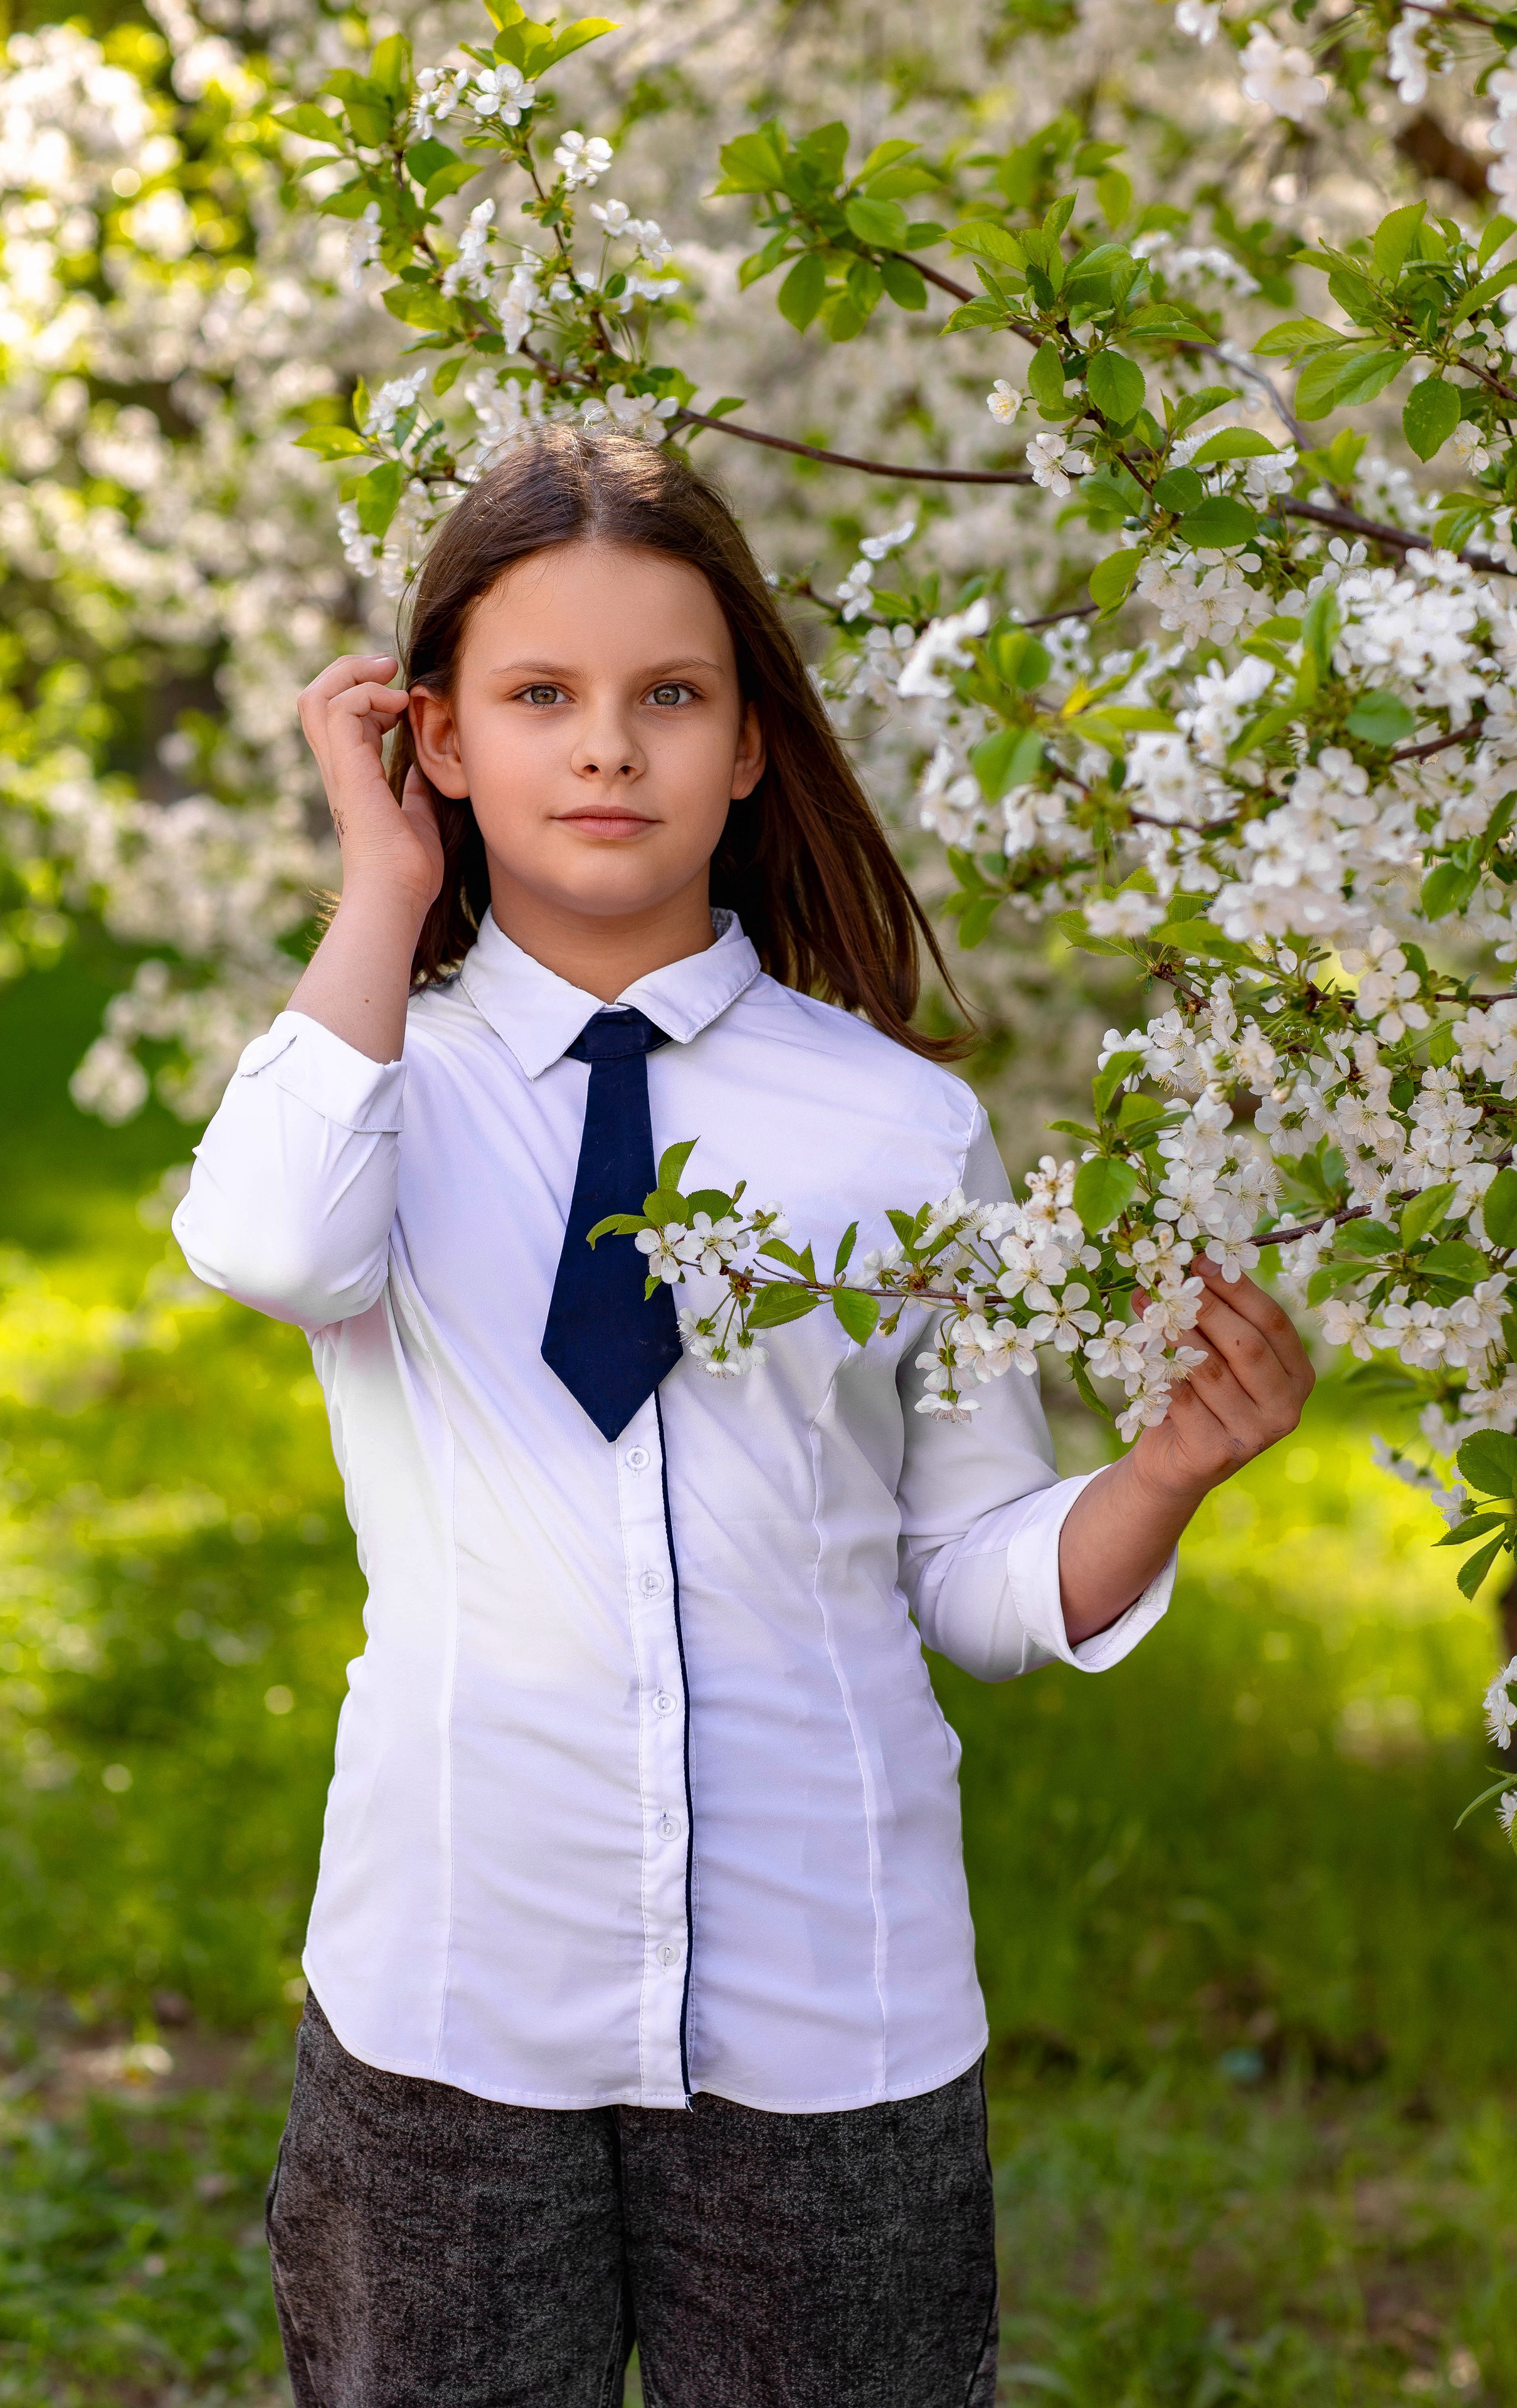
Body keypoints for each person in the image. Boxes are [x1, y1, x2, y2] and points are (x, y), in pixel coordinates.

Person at [173, 425, 1313, 2408]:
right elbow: (268, 1246)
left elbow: (968, 1568)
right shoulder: (369, 1087)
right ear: (437, 740)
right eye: (540, 698)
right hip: (455, 1992)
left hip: (830, 2004)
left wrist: (1165, 1474)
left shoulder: (890, 1125)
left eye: (669, 696)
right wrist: (383, 886)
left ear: (751, 745)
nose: (606, 748)